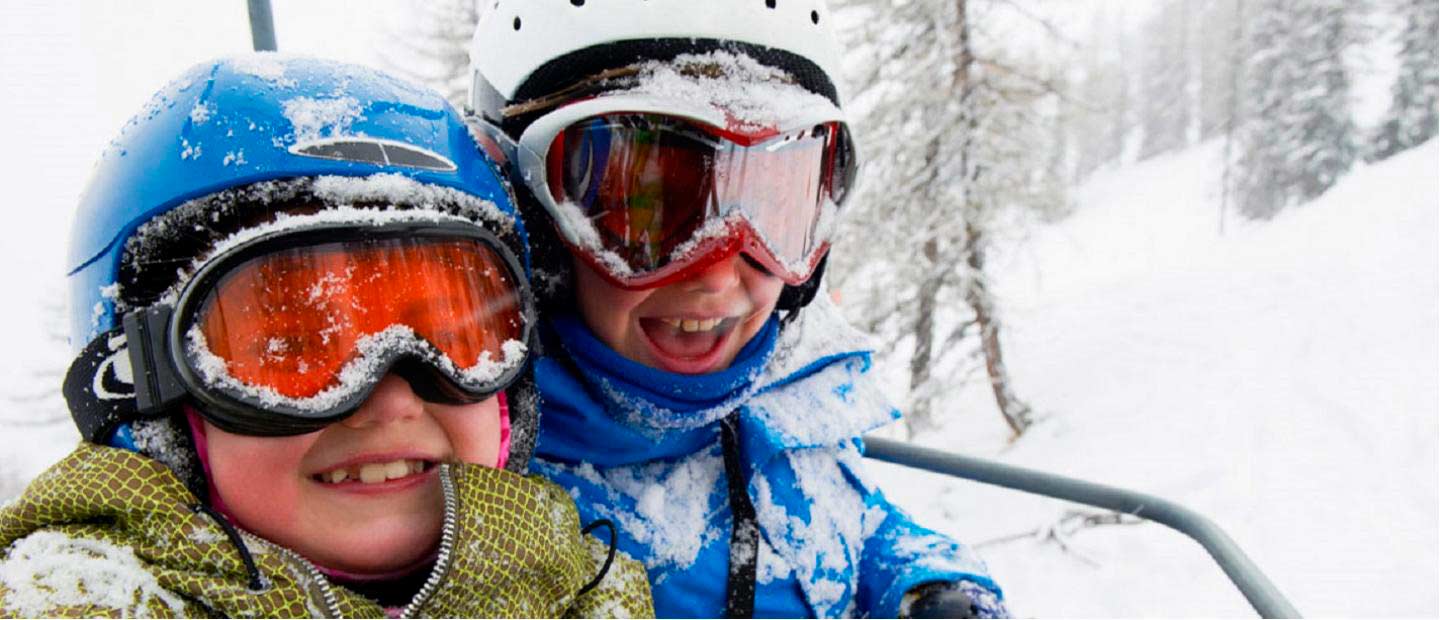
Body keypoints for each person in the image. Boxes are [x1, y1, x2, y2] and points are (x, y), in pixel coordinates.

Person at [0, 56, 652, 618]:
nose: (393, 400)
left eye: (455, 335)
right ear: (142, 388)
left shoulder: (595, 591)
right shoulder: (75, 596)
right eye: (293, 348)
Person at [466, 2, 1007, 618]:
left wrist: (924, 585)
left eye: (775, 204)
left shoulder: (784, 385)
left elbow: (845, 517)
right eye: (645, 209)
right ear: (533, 221)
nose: (720, 277)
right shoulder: (486, 522)